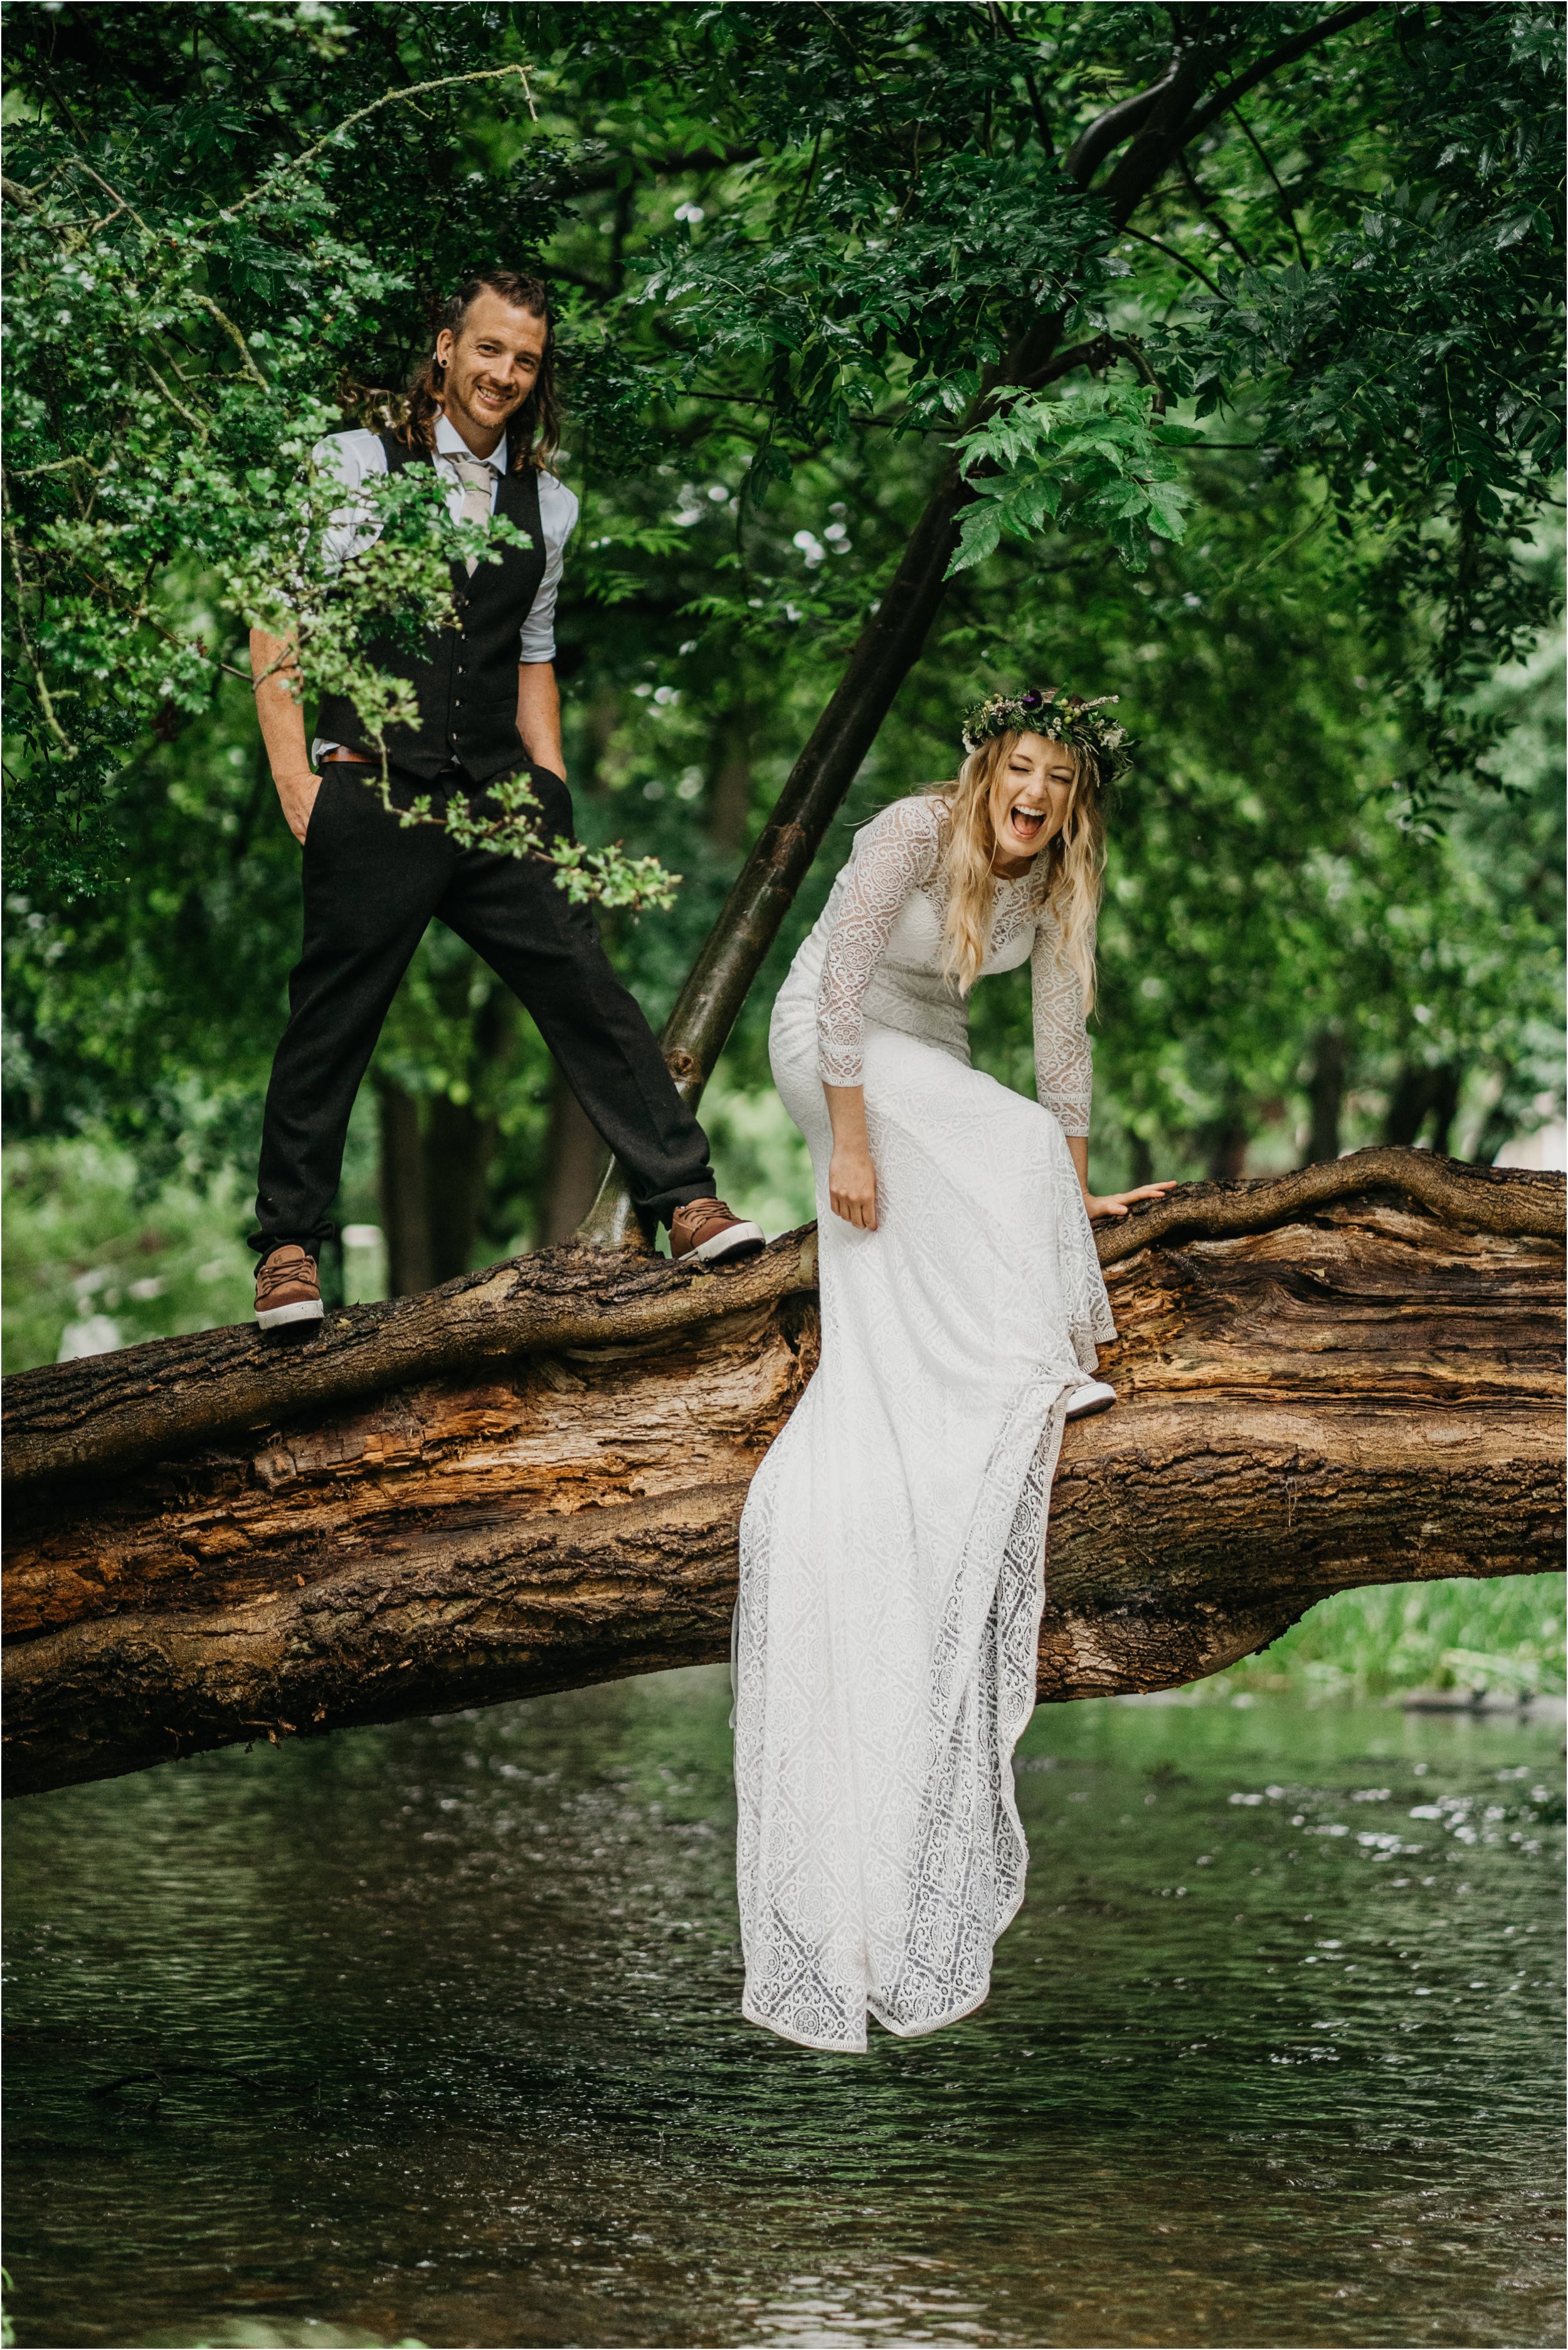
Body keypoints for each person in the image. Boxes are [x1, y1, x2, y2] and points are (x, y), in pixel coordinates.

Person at [732, 687, 1175, 2051]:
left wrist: (1072, 1206)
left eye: (1056, 781)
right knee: (985, 1150)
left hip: (929, 1061)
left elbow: (1057, 1057)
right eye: (1019, 771)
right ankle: (1007, 1369)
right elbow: (845, 982)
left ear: (1071, 801)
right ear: (986, 771)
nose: (1032, 795)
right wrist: (845, 1148)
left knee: (1017, 1156)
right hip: (833, 1047)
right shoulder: (909, 833)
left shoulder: (1056, 887)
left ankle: (1010, 1353)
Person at [248, 270, 762, 1330]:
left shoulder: (549, 504)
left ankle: (686, 1199)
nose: (504, 376)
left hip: (498, 798)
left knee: (585, 987)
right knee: (331, 1017)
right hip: (372, 786)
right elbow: (278, 615)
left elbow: (534, 658)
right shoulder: (353, 465)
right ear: (445, 348)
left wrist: (552, 792)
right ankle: (289, 1248)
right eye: (488, 351)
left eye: (525, 360)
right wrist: (297, 775)